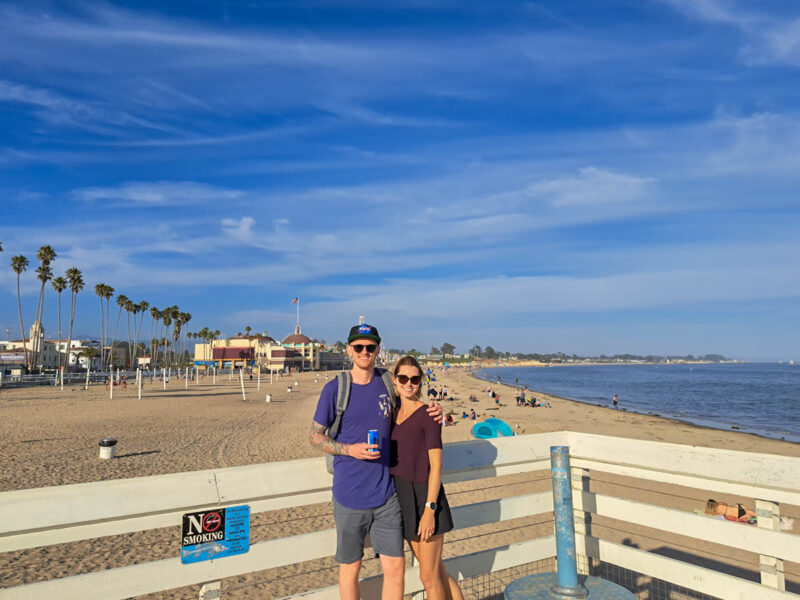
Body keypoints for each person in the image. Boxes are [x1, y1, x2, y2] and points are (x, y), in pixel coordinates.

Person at [309, 324, 441, 600]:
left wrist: (434, 408)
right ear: (349, 350)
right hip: (348, 497)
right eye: (359, 347)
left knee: (396, 568)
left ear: (378, 350)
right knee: (350, 570)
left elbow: (409, 396)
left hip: (386, 497)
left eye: (370, 347)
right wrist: (348, 449)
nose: (364, 352)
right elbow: (314, 436)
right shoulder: (335, 389)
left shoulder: (385, 382)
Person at [391, 356, 463, 600]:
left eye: (414, 379)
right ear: (395, 380)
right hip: (402, 497)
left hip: (425, 496)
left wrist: (430, 510)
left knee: (428, 577)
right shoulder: (392, 413)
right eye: (403, 378)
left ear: (421, 382)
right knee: (436, 570)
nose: (408, 383)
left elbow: (437, 464)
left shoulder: (428, 415)